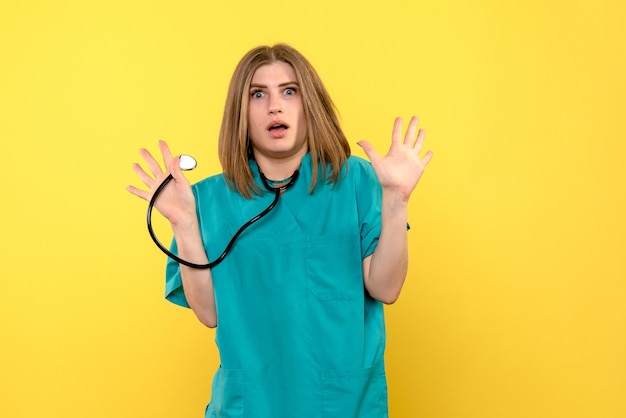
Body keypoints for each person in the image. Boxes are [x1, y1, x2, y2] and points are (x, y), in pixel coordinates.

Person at [127, 43, 432, 418]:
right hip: (249, 404)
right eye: (258, 94)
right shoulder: (203, 200)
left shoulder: (359, 181)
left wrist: (398, 198)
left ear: (310, 105)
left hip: (341, 403)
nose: (275, 105)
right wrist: (184, 224)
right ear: (241, 111)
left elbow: (386, 288)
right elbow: (208, 313)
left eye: (290, 91)